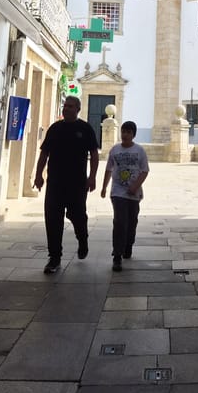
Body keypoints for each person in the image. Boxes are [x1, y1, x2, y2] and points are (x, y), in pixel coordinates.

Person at [34, 96, 99, 274]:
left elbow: (94, 154)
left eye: (70, 106)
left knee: (77, 215)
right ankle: (54, 257)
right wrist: (38, 175)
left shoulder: (85, 129)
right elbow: (44, 153)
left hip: (77, 183)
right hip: (55, 182)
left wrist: (92, 177)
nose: (66, 109)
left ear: (78, 109)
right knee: (53, 219)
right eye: (65, 106)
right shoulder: (55, 128)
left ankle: (82, 239)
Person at [100, 121, 149, 272]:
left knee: (132, 221)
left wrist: (135, 187)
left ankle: (128, 244)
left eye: (128, 132)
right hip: (118, 192)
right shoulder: (115, 150)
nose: (125, 135)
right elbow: (109, 169)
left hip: (134, 194)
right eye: (123, 131)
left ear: (133, 134)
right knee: (120, 222)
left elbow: (145, 170)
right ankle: (117, 255)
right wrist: (104, 187)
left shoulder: (139, 151)